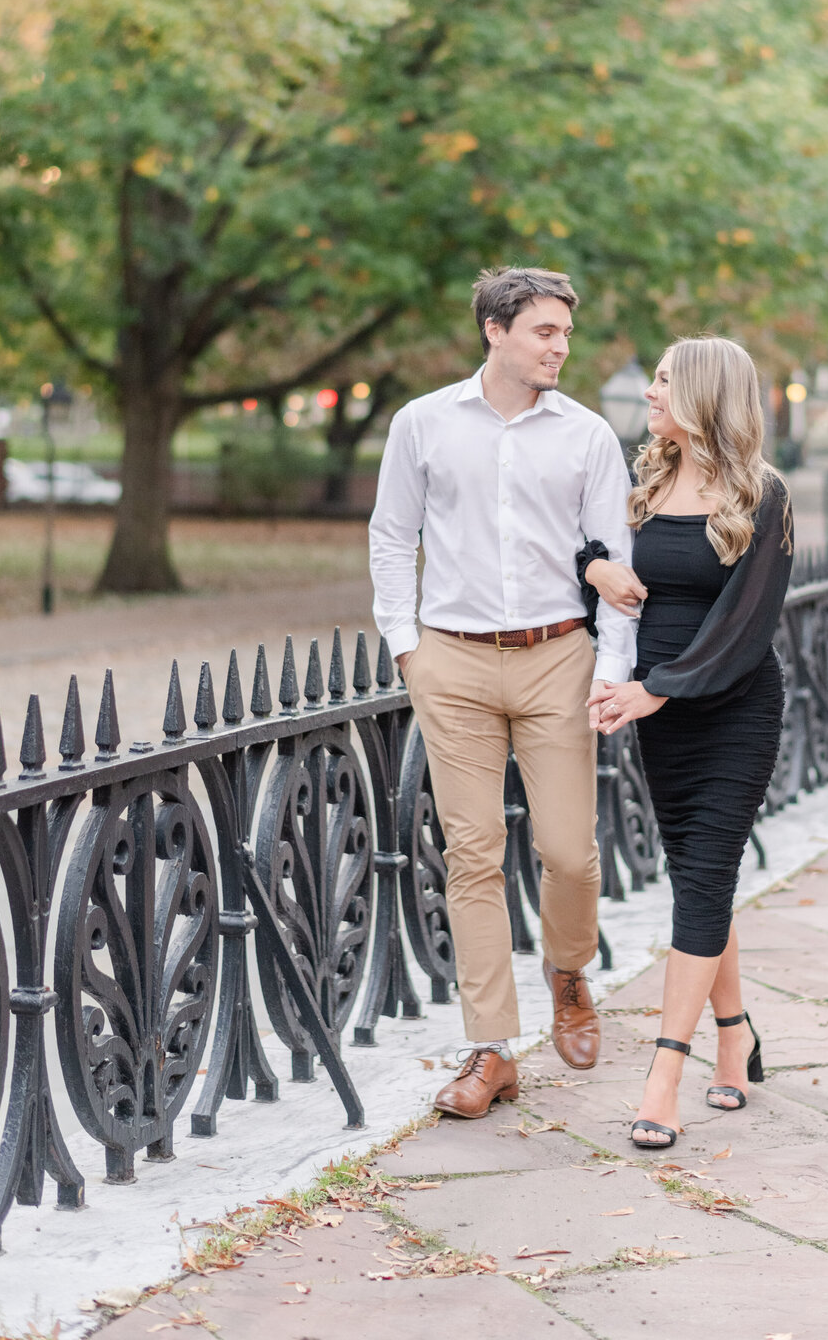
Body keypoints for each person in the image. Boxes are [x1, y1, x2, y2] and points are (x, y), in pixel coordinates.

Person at [369, 266, 637, 1118]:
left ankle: (569, 971)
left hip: (559, 655)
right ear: (496, 330)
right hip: (452, 661)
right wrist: (405, 645)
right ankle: (490, 1049)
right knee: (471, 852)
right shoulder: (423, 424)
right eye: (544, 332)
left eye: (564, 332)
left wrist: (612, 668)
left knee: (568, 851)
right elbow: (391, 534)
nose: (560, 346)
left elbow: (616, 562)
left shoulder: (588, 435)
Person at [584, 336, 793, 1149]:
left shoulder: (761, 493)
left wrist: (653, 688)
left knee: (702, 881)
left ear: (705, 394)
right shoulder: (651, 481)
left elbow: (744, 626)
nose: (650, 393)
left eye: (664, 381)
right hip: (657, 715)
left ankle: (664, 1075)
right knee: (699, 877)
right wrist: (593, 568)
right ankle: (734, 1033)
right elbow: (614, 582)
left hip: (732, 710)